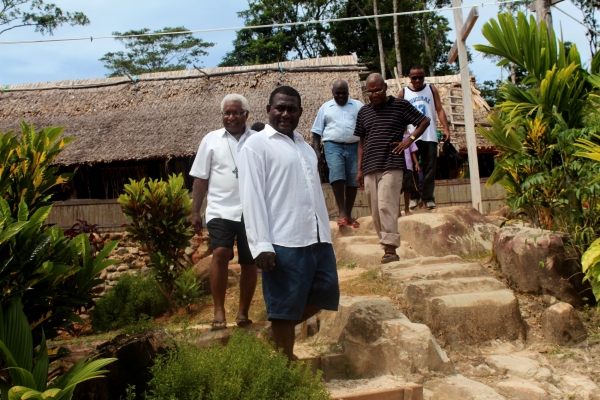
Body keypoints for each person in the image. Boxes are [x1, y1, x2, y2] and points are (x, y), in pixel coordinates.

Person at [238, 86, 339, 361]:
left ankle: (275, 333)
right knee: (284, 306)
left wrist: (325, 231)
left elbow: (314, 192)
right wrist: (260, 245)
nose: (285, 113)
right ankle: (285, 364)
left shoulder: (306, 148)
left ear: (300, 113)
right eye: (280, 108)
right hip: (282, 240)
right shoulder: (256, 146)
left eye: (291, 109)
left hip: (316, 238)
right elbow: (251, 196)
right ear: (269, 110)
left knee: (327, 292)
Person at [190, 94, 258, 331]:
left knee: (250, 261)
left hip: (251, 210)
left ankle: (243, 312)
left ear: (246, 115)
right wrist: (195, 212)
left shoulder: (257, 140)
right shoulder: (210, 140)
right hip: (220, 209)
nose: (230, 117)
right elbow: (200, 177)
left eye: (235, 112)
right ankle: (219, 311)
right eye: (226, 113)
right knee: (220, 252)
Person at [355, 73, 430, 264]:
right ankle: (386, 246)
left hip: (392, 162)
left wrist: (409, 140)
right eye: (370, 92)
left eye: (378, 90)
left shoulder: (400, 105)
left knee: (385, 205)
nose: (374, 94)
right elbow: (362, 143)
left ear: (385, 87)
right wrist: (359, 170)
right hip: (370, 165)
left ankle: (390, 249)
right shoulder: (363, 112)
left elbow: (424, 121)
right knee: (375, 211)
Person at [311, 80, 364, 228]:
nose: (341, 96)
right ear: (332, 93)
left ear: (348, 92)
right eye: (337, 93)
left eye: (343, 93)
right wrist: (317, 152)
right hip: (332, 145)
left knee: (354, 179)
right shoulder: (325, 108)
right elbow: (316, 132)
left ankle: (348, 213)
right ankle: (341, 213)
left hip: (354, 146)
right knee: (337, 176)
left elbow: (366, 128)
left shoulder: (358, 106)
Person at [399, 65, 451, 210]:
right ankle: (414, 197)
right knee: (412, 168)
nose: (417, 80)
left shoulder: (431, 89)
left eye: (420, 77)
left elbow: (439, 109)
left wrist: (446, 128)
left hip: (429, 135)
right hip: (412, 137)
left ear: (424, 76)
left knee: (430, 168)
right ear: (409, 78)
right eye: (414, 77)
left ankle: (428, 198)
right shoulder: (403, 93)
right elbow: (398, 115)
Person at [400, 129, 420, 217]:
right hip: (397, 166)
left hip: (408, 166)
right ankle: (397, 211)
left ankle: (406, 209)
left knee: (407, 189)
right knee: (396, 190)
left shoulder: (408, 138)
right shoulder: (393, 136)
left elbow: (413, 152)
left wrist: (416, 163)